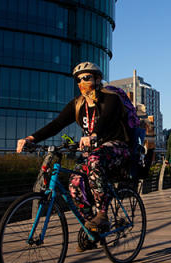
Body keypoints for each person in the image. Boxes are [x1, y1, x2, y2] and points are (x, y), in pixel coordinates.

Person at [15, 61, 131, 233]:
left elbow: (105, 119)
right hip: (93, 150)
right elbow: (57, 124)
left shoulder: (111, 99)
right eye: (78, 80)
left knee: (94, 160)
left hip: (117, 148)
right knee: (74, 183)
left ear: (98, 79)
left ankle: (102, 214)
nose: (82, 83)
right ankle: (91, 227)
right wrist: (31, 138)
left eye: (86, 78)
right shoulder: (77, 104)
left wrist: (93, 135)